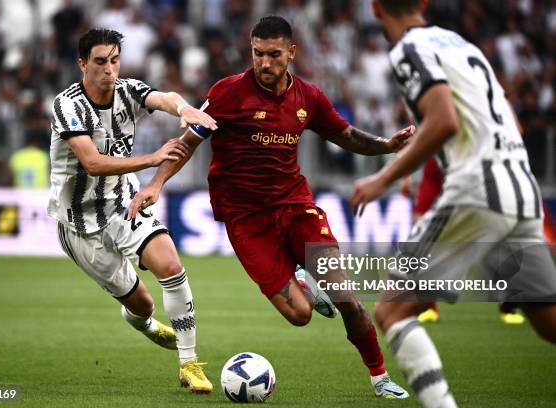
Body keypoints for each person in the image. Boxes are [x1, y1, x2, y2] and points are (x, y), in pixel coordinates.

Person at [129, 16, 412, 400]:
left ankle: (380, 377)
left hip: (296, 207)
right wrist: (156, 183)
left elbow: (344, 134)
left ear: (291, 53)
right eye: (257, 53)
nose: (264, 63)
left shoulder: (308, 97)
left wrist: (386, 146)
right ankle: (304, 282)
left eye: (273, 55)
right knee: (300, 315)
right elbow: (188, 142)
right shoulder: (229, 94)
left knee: (347, 296)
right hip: (246, 221)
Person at [349, 1, 556, 407]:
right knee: (549, 322)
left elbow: (444, 120)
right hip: (520, 184)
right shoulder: (464, 45)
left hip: (477, 189)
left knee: (391, 311)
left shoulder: (408, 50)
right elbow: (510, 120)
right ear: (424, 3)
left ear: (375, 9)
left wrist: (382, 178)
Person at [47, 28, 218, 393]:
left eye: (114, 60)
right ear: (82, 64)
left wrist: (184, 108)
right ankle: (146, 325)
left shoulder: (127, 90)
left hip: (124, 203)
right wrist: (152, 158)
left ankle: (189, 364)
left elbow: (163, 96)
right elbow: (91, 163)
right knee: (141, 304)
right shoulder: (67, 105)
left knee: (171, 265)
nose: (109, 70)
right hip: (79, 224)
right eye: (99, 62)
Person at [402, 159, 527, 325]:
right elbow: (413, 139)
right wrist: (406, 173)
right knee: (421, 234)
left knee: (491, 234)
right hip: (434, 173)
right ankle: (428, 307)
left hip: (469, 173)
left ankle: (507, 302)